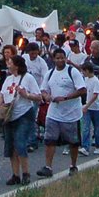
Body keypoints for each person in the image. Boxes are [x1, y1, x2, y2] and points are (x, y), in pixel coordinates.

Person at [36, 47, 86, 178]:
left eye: (62, 58)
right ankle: (48, 166)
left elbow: (82, 90)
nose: (60, 60)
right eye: (57, 58)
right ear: (53, 59)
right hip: (54, 113)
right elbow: (43, 89)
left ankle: (73, 165)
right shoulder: (50, 73)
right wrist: (46, 96)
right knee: (50, 140)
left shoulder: (72, 72)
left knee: (73, 142)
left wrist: (65, 98)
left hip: (71, 114)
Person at [0, 55, 42, 186]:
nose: (8, 65)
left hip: (23, 114)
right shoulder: (8, 79)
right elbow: (2, 94)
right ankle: (15, 174)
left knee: (20, 143)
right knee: (11, 146)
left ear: (16, 65)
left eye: (10, 63)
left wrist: (26, 95)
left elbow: (38, 97)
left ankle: (26, 173)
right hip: (9, 116)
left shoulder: (28, 78)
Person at [79, 60, 99, 156]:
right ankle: (85, 147)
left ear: (88, 71)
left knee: (97, 128)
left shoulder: (95, 80)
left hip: (96, 108)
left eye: (84, 71)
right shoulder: (85, 80)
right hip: (87, 107)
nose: (83, 73)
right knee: (85, 127)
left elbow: (95, 95)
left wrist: (87, 105)